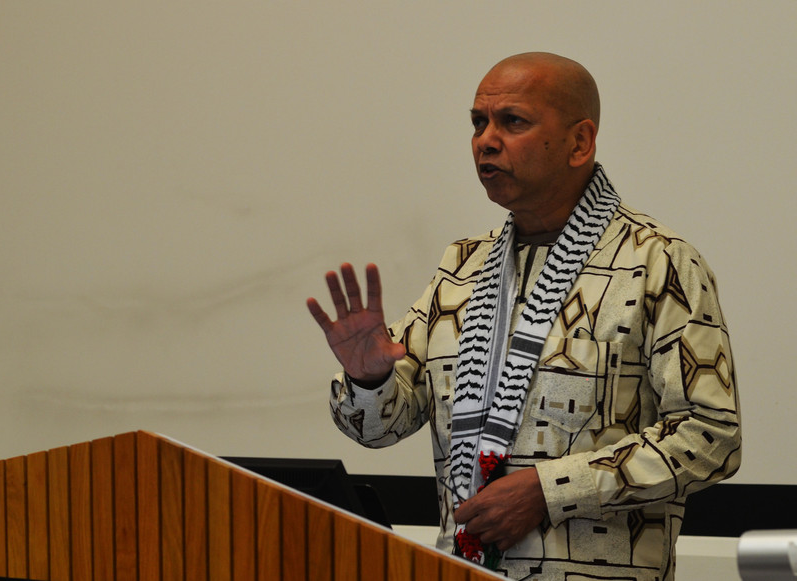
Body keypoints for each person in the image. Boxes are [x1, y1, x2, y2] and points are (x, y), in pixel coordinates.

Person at [307, 52, 741, 581]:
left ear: (580, 142)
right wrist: (369, 377)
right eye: (477, 122)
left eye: (512, 122)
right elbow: (376, 429)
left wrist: (549, 490)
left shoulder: (657, 262)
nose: (485, 140)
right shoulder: (462, 268)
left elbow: (712, 436)